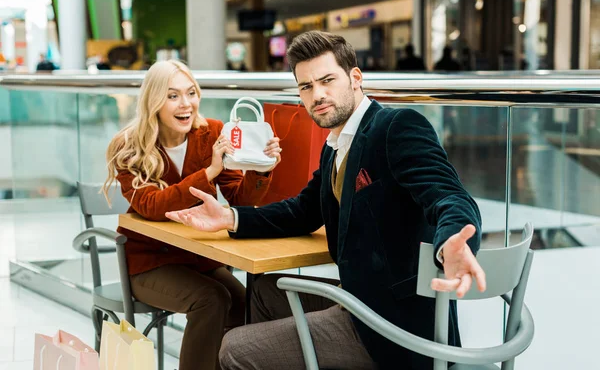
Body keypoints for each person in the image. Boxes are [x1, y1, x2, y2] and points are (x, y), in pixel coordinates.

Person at [166, 31, 486, 370]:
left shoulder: (396, 127)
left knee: (234, 348)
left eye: (327, 80)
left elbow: (448, 194)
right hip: (358, 299)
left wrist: (451, 240)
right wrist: (231, 217)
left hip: (395, 329)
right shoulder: (335, 145)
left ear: (355, 78)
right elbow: (303, 211)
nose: (317, 95)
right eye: (306, 87)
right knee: (264, 289)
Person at [101, 59, 282, 370]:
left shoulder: (211, 131)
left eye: (191, 93)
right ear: (153, 101)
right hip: (149, 263)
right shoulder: (129, 146)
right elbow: (153, 206)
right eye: (172, 96)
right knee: (211, 300)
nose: (186, 104)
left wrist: (260, 169)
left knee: (249, 307)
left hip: (199, 259)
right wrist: (210, 170)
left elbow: (240, 197)